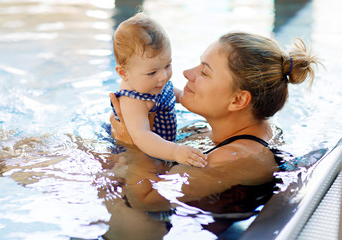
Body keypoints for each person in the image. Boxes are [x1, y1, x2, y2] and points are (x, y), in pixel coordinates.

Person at [110, 31, 319, 211]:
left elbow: (145, 200)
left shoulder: (235, 158)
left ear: (238, 100)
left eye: (204, 72)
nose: (186, 73)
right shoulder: (220, 133)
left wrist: (134, 145)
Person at [110, 13, 207, 167]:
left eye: (167, 65)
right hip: (136, 153)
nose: (163, 76)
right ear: (123, 73)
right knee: (125, 170)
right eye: (152, 72)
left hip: (164, 146)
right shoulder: (133, 100)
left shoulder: (153, 83)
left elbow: (179, 96)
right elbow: (142, 136)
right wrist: (175, 151)